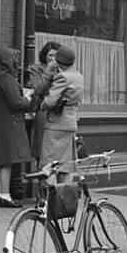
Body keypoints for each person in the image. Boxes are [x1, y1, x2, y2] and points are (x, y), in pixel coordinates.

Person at [0, 47, 34, 208]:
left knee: (2, 160)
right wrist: (28, 98)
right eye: (15, 60)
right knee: (7, 160)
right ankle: (5, 195)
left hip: (1, 120)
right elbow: (16, 102)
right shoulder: (7, 78)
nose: (17, 63)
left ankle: (2, 194)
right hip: (11, 122)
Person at [39, 46, 84, 184]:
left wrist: (41, 105)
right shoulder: (79, 76)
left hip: (56, 124)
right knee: (66, 166)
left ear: (59, 62)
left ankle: (49, 200)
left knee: (50, 165)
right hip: (70, 123)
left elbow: (50, 101)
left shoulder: (62, 77)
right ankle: (63, 200)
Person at [27, 41, 62, 166]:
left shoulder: (62, 70)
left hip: (60, 113)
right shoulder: (35, 69)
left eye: (56, 56)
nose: (53, 59)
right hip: (43, 110)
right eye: (50, 55)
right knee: (43, 150)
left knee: (59, 154)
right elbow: (37, 89)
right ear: (44, 55)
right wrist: (47, 73)